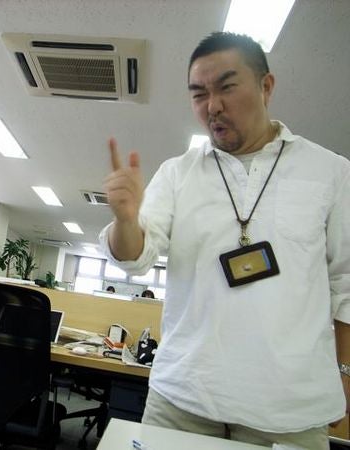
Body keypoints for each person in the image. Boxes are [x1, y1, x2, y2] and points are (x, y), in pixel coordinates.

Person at [100, 32, 349, 449]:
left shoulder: (330, 172)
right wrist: (125, 221)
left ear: (266, 86)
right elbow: (136, 257)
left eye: (226, 87)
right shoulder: (178, 173)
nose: (212, 105)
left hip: (289, 408)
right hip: (182, 397)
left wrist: (344, 372)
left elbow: (346, 282)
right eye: (198, 94)